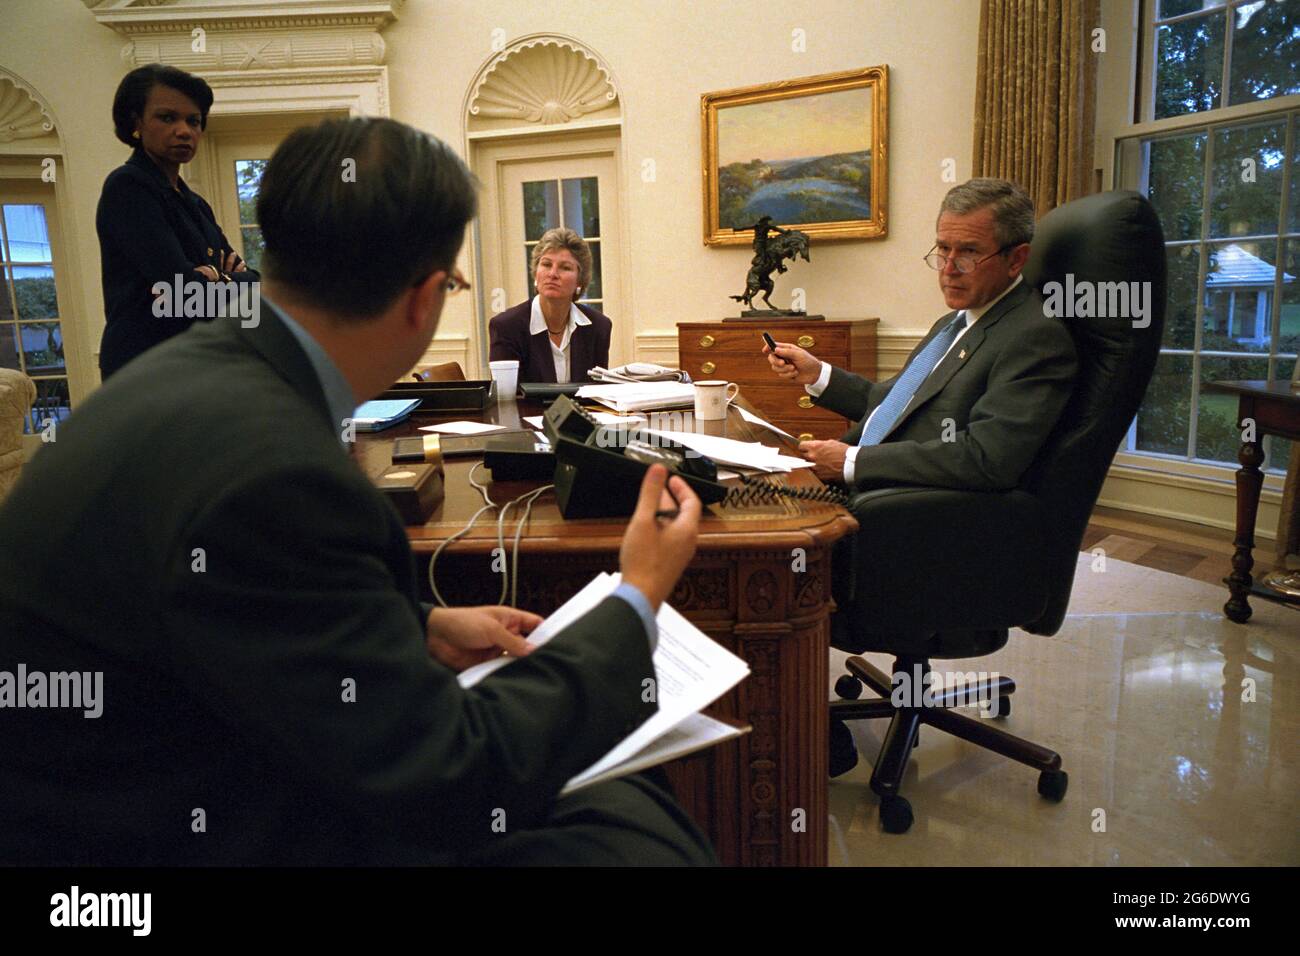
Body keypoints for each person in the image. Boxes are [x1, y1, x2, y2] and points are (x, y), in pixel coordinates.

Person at [0, 117, 713, 866]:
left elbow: (244, 601)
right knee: (637, 832)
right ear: (426, 298)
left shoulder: (198, 369)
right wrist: (637, 596)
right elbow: (454, 777)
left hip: (140, 771)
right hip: (140, 842)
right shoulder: (280, 473)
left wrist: (418, 624)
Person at [764, 177, 1078, 774]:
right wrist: (818, 374)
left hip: (937, 538)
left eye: (967, 252)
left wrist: (852, 461)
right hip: (894, 502)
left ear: (1017, 257)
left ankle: (802, 737)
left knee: (775, 565)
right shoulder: (956, 324)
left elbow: (989, 458)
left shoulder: (1035, 336)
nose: (949, 268)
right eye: (941, 249)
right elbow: (896, 402)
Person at [96, 63, 259, 379]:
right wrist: (221, 277)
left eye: (193, 121)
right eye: (168, 117)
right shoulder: (128, 186)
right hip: (146, 371)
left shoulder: (196, 204)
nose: (185, 130)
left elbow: (252, 294)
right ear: (135, 122)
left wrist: (214, 279)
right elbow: (185, 295)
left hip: (199, 366)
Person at [488, 227, 612, 383]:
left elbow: (597, 394)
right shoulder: (506, 327)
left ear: (579, 281)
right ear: (535, 273)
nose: (552, 274)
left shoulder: (599, 327)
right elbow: (506, 398)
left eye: (565, 267)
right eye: (546, 264)